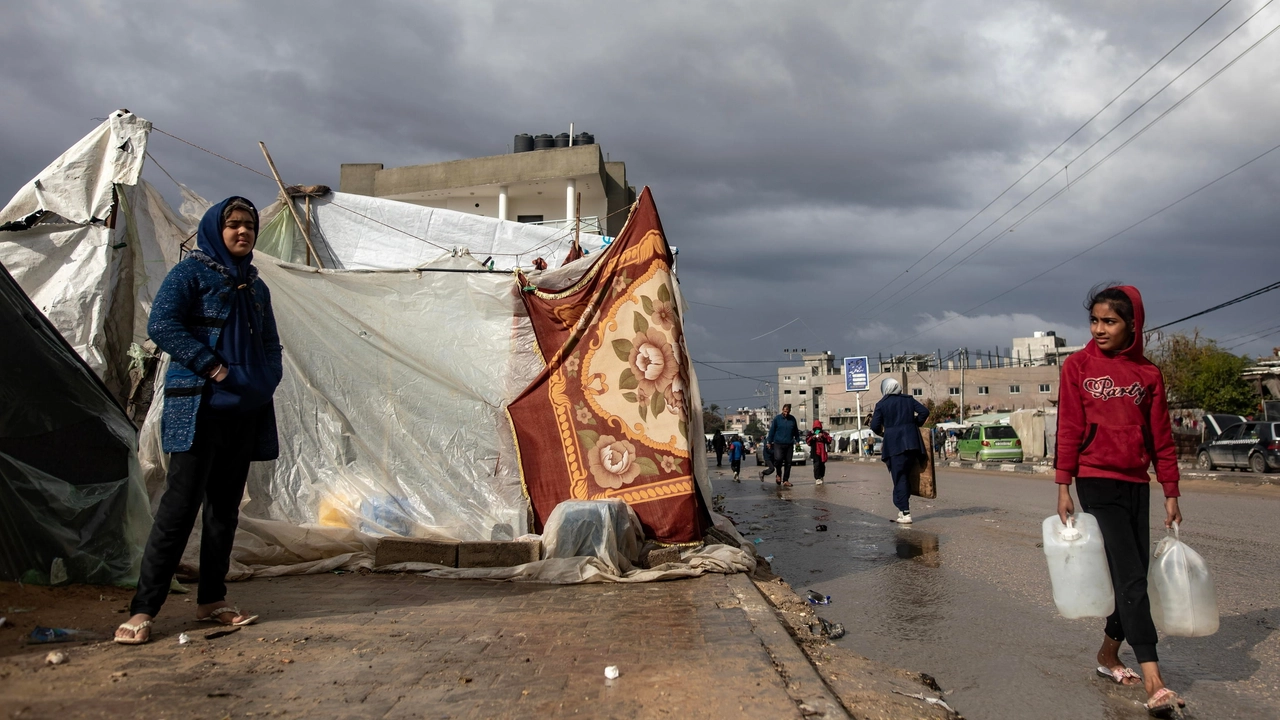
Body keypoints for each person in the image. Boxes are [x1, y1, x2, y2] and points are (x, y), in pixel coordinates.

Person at [115, 197, 283, 645]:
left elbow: (271, 344)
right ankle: (143, 609)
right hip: (199, 409)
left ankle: (212, 601)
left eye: (249, 225)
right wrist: (212, 366)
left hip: (244, 412)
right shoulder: (192, 272)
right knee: (178, 508)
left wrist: (266, 380)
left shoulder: (256, 286)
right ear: (217, 229)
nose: (243, 232)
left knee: (224, 511)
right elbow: (162, 324)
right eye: (233, 225)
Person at [1054, 284, 1185, 717]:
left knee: (1135, 578)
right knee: (1130, 577)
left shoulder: (1148, 374)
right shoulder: (1078, 366)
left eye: (1109, 321)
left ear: (1133, 324)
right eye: (1094, 320)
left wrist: (1171, 491)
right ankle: (1154, 679)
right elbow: (1069, 427)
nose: (1099, 328)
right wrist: (1063, 485)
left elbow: (1161, 437)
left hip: (1136, 483)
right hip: (1095, 482)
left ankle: (1108, 655)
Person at [869, 378, 928, 524]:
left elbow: (875, 426)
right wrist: (914, 424)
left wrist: (885, 432)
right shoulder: (908, 400)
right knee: (905, 475)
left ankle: (905, 512)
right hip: (913, 444)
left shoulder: (882, 404)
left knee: (900, 477)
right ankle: (902, 509)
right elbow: (924, 412)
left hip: (894, 446)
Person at [765, 404, 801, 488]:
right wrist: (769, 441)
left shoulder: (792, 419)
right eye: (785, 411)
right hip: (778, 443)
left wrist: (797, 440)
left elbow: (796, 431)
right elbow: (772, 431)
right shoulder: (777, 419)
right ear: (782, 410)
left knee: (788, 463)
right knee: (778, 459)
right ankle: (778, 475)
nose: (786, 413)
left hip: (789, 444)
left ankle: (785, 480)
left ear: (790, 411)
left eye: (788, 411)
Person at [807, 420, 833, 485]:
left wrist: (823, 436)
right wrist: (813, 437)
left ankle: (821, 476)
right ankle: (817, 478)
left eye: (818, 428)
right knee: (816, 464)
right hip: (815, 451)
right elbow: (808, 441)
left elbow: (829, 440)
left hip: (823, 451)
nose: (817, 430)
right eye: (816, 428)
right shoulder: (811, 433)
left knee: (822, 465)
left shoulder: (824, 433)